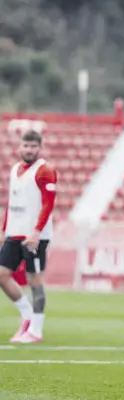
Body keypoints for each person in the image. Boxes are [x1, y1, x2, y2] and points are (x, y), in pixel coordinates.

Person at [0, 130, 57, 343]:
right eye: (26, 146)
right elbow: (12, 203)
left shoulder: (45, 170)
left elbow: (48, 204)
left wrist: (36, 231)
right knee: (2, 274)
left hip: (35, 237)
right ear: (19, 147)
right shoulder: (15, 169)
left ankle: (36, 330)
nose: (29, 150)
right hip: (15, 233)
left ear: (39, 148)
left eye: (33, 146)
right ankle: (26, 315)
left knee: (35, 280)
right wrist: (4, 230)